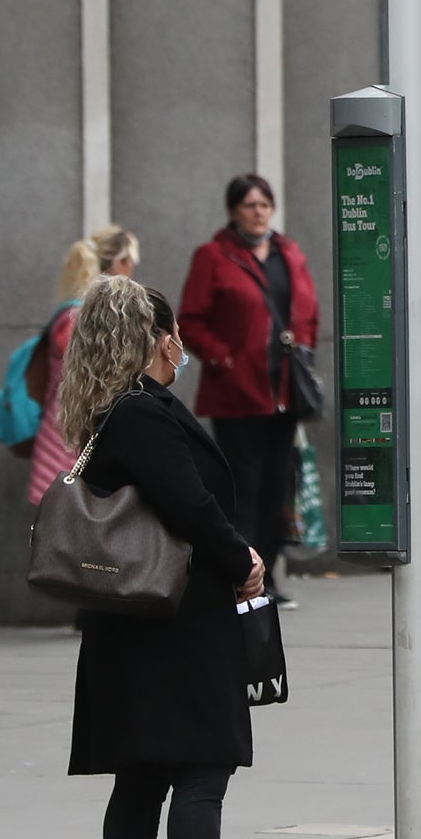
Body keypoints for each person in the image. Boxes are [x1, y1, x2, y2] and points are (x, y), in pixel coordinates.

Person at [58, 277, 295, 839]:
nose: (183, 346)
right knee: (203, 763)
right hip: (172, 625)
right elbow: (187, 503)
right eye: (177, 334)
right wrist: (243, 557)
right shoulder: (141, 412)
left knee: (145, 778)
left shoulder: (114, 412)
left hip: (137, 627)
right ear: (157, 337)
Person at [179, 175, 319, 608]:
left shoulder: (289, 253)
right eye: (249, 205)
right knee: (242, 489)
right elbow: (191, 320)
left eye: (264, 204)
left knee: (277, 488)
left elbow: (309, 310)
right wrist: (226, 359)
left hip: (284, 393)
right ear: (233, 210)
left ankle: (269, 578)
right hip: (238, 397)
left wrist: (306, 350)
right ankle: (242, 577)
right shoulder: (214, 256)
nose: (258, 212)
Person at [29, 227, 141, 506]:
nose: (132, 272)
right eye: (130, 263)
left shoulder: (78, 315)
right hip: (72, 436)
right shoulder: (79, 318)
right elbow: (101, 373)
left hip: (72, 433)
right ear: (117, 264)